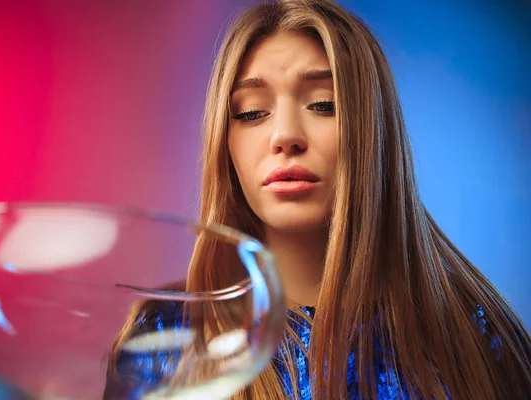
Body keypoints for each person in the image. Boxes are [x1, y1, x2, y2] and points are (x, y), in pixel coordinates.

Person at [105, 0, 531, 398]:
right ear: (224, 143)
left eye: (324, 105)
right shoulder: (163, 340)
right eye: (252, 112)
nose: (286, 136)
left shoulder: (475, 338)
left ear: (374, 131)